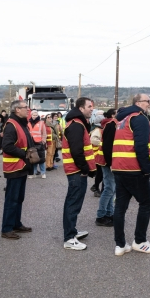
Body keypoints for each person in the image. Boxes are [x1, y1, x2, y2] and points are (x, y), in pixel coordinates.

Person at [112, 94, 150, 256]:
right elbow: (141, 146)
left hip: (119, 168)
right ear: (138, 103)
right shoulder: (140, 118)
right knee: (146, 204)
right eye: (147, 101)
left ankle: (120, 245)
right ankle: (140, 241)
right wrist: (146, 169)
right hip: (134, 169)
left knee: (120, 207)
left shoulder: (123, 119)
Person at [62, 97, 96, 250]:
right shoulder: (76, 125)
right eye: (89, 106)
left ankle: (72, 232)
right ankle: (69, 238)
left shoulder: (79, 123)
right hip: (76, 171)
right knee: (73, 203)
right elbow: (77, 151)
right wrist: (84, 168)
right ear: (81, 108)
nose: (91, 109)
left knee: (74, 202)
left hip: (77, 170)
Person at [1, 99, 34, 239]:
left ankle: (16, 223)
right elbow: (7, 146)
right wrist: (25, 154)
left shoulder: (21, 124)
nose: (28, 109)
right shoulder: (11, 125)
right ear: (17, 110)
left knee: (19, 198)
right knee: (12, 199)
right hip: (14, 167)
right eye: (25, 107)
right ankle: (6, 228)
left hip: (22, 166)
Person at [95, 108, 117, 227]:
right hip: (107, 161)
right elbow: (108, 147)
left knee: (112, 189)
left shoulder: (110, 124)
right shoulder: (111, 125)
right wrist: (111, 163)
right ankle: (101, 216)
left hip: (108, 161)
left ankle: (109, 213)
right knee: (109, 189)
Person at [27, 110, 46, 178]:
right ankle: (34, 173)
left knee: (41, 159)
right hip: (31, 143)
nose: (34, 116)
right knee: (33, 158)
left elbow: (44, 133)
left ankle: (43, 173)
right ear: (31, 115)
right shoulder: (28, 123)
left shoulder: (41, 122)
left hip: (39, 143)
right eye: (33, 115)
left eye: (36, 115)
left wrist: (43, 141)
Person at [89, 115, 104, 197]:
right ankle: (96, 188)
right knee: (100, 173)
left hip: (99, 154)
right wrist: (103, 144)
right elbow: (93, 140)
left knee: (101, 173)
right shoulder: (98, 130)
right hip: (97, 155)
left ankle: (95, 186)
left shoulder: (99, 129)